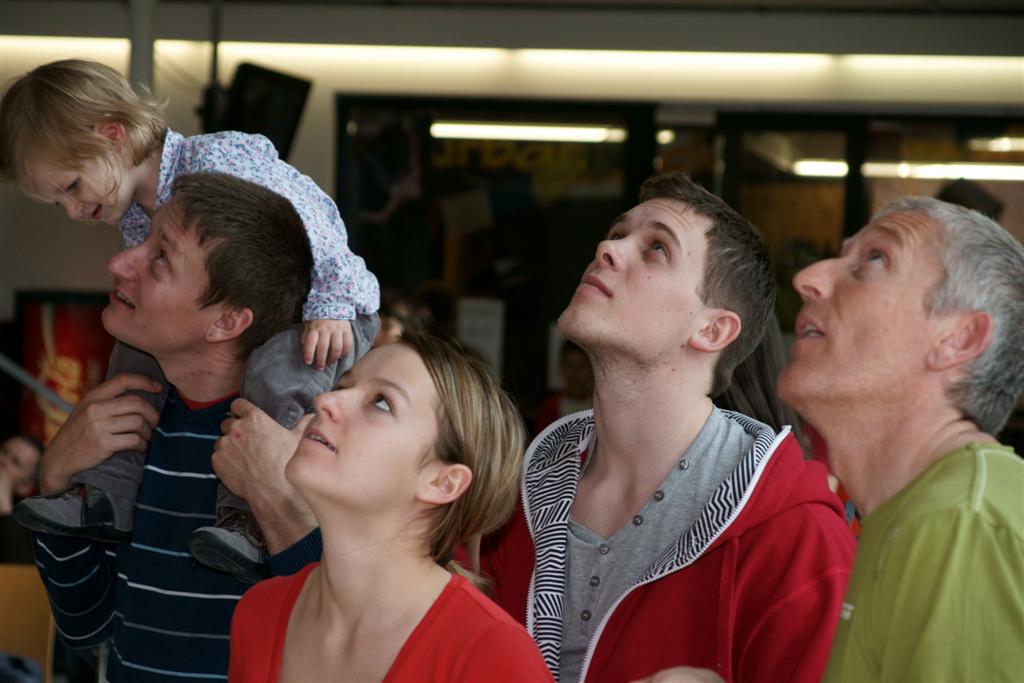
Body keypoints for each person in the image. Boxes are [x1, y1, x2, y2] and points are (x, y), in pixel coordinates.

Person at [0, 59, 380, 581]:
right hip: (268, 317)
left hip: (327, 306)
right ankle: (105, 494)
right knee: (130, 359)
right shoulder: (137, 214)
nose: (72, 210)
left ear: (112, 135)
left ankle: (249, 518)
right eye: (57, 202)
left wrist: (330, 305)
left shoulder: (216, 161)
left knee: (277, 374)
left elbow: (313, 220)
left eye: (71, 186)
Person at [480, 172, 856, 683]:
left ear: (712, 329)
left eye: (656, 248)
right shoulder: (516, 496)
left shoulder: (796, 534)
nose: (608, 249)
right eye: (618, 233)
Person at [26, 173, 346, 682]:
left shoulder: (315, 442)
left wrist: (278, 500)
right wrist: (56, 478)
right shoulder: (124, 427)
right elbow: (85, 625)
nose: (119, 262)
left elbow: (351, 630)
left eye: (160, 258)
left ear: (226, 322)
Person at [777, 196, 1024, 681]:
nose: (809, 277)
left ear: (958, 340)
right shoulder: (923, 512)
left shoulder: (958, 524)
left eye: (874, 258)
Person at [228, 330, 552, 682]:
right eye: (342, 385)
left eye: (381, 403)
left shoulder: (490, 654)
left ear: (442, 482)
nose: (326, 400)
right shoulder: (258, 612)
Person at [534, 339, 594, 435]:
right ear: (561, 367)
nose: (574, 372)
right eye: (569, 365)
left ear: (590, 367)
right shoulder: (549, 408)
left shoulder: (599, 407)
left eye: (580, 365)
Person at [0, 434, 43, 563]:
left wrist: (4, 507)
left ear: (25, 486)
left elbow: (18, 569)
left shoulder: (25, 533)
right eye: (4, 451)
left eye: (16, 462)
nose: (2, 461)